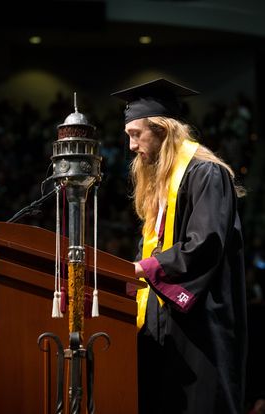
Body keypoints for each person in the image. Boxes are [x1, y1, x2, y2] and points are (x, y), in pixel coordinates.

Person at [111, 78, 247, 414]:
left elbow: (204, 244)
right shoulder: (162, 183)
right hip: (163, 322)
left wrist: (144, 269)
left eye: (135, 134)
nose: (130, 146)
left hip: (200, 322)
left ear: (161, 129)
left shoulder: (207, 175)